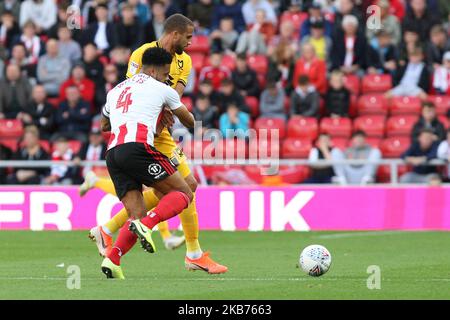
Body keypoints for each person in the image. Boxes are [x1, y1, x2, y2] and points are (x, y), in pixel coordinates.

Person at [81, 14, 227, 274]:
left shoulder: (185, 61)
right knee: (185, 188)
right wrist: (165, 108)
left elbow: (173, 96)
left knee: (169, 191)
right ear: (174, 34)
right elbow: (136, 89)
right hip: (145, 133)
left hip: (151, 134)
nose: (192, 42)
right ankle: (191, 252)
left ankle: (109, 233)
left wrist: (168, 107)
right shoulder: (142, 54)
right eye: (189, 37)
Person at [100, 47, 196, 279]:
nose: (166, 78)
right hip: (138, 148)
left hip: (113, 154)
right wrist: (165, 108)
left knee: (136, 213)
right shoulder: (162, 89)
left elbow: (105, 125)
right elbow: (190, 122)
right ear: (153, 70)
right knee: (184, 191)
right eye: (165, 74)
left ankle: (112, 259)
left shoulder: (116, 90)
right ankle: (150, 224)